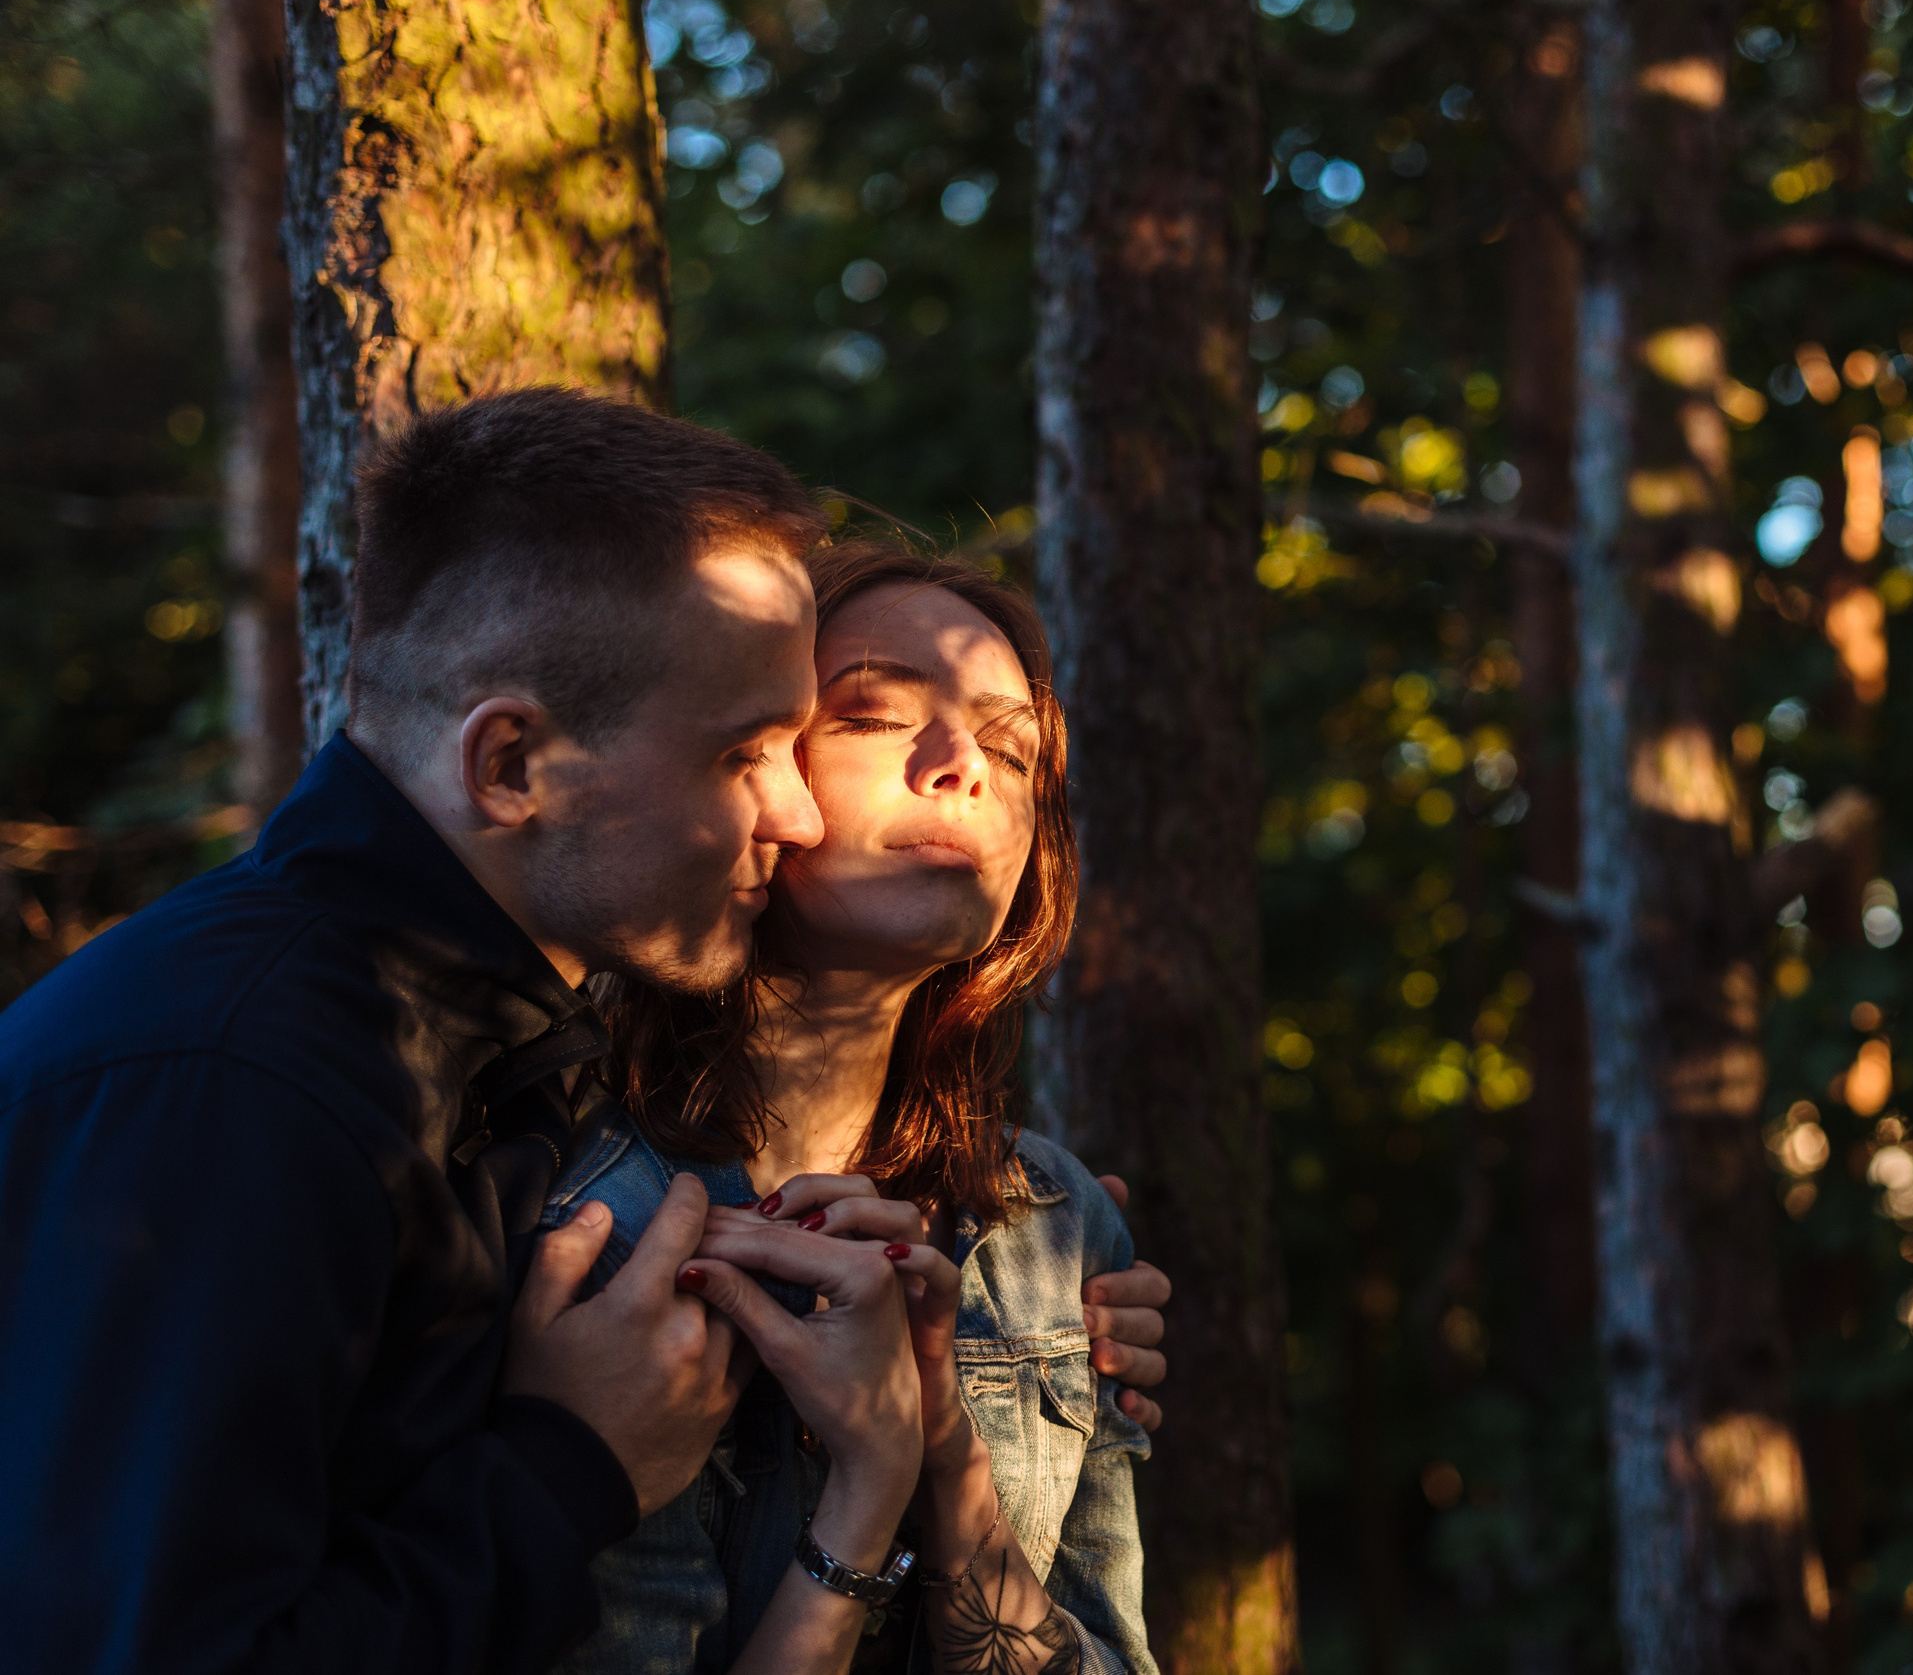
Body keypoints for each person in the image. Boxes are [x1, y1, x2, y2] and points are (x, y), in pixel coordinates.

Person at [0, 391, 1165, 1674]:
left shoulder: (481, 1073)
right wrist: (573, 1464)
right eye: (755, 751)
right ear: (511, 767)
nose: (788, 815)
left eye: (1018, 746)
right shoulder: (253, 1089)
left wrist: (976, 1392)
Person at [541, 541, 1160, 1675]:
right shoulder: (588, 1221)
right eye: (874, 715)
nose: (961, 764)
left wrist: (945, 1449)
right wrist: (870, 1488)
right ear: (749, 768)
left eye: (1011, 746)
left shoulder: (1054, 1229)